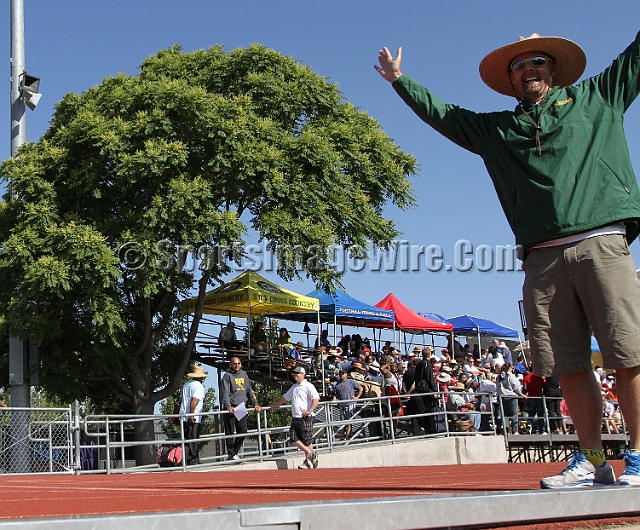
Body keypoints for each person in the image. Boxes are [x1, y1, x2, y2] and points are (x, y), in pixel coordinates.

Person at [376, 30, 640, 489]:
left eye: (537, 60)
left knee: (628, 354)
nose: (528, 69)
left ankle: (637, 459)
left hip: (601, 242)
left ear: (553, 69)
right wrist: (401, 81)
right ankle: (592, 460)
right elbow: (446, 116)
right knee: (569, 365)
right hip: (541, 258)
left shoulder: (599, 96)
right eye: (518, 65)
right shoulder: (498, 130)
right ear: (511, 79)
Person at [269, 365, 320, 469]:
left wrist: (309, 410)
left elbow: (316, 398)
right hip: (296, 417)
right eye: (294, 373)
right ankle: (310, 454)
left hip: (306, 417)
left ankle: (308, 460)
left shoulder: (308, 386)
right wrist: (274, 405)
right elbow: (285, 398)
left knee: (307, 440)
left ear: (303, 375)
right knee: (293, 438)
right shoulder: (294, 387)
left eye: (297, 373)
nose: (295, 375)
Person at [219, 357, 262, 461]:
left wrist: (255, 403)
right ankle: (231, 454)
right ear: (230, 364)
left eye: (238, 363)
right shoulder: (227, 376)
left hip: (241, 407)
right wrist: (228, 406)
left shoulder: (244, 375)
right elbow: (225, 393)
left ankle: (233, 452)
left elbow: (249, 390)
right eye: (235, 363)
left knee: (243, 431)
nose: (237, 365)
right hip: (231, 407)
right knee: (229, 432)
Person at [179, 365, 208, 465]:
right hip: (193, 416)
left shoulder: (186, 384)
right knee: (193, 438)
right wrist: (192, 414)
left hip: (183, 415)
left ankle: (187, 459)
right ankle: (193, 459)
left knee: (186, 438)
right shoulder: (199, 386)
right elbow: (194, 401)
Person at [333, 369, 363, 439]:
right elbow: (335, 394)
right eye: (340, 374)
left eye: (343, 373)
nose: (341, 375)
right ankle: (350, 434)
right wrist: (333, 402)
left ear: (346, 374)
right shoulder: (337, 384)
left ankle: (347, 436)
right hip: (342, 404)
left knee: (349, 420)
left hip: (350, 403)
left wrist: (357, 397)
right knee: (345, 420)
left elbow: (360, 388)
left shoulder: (351, 382)